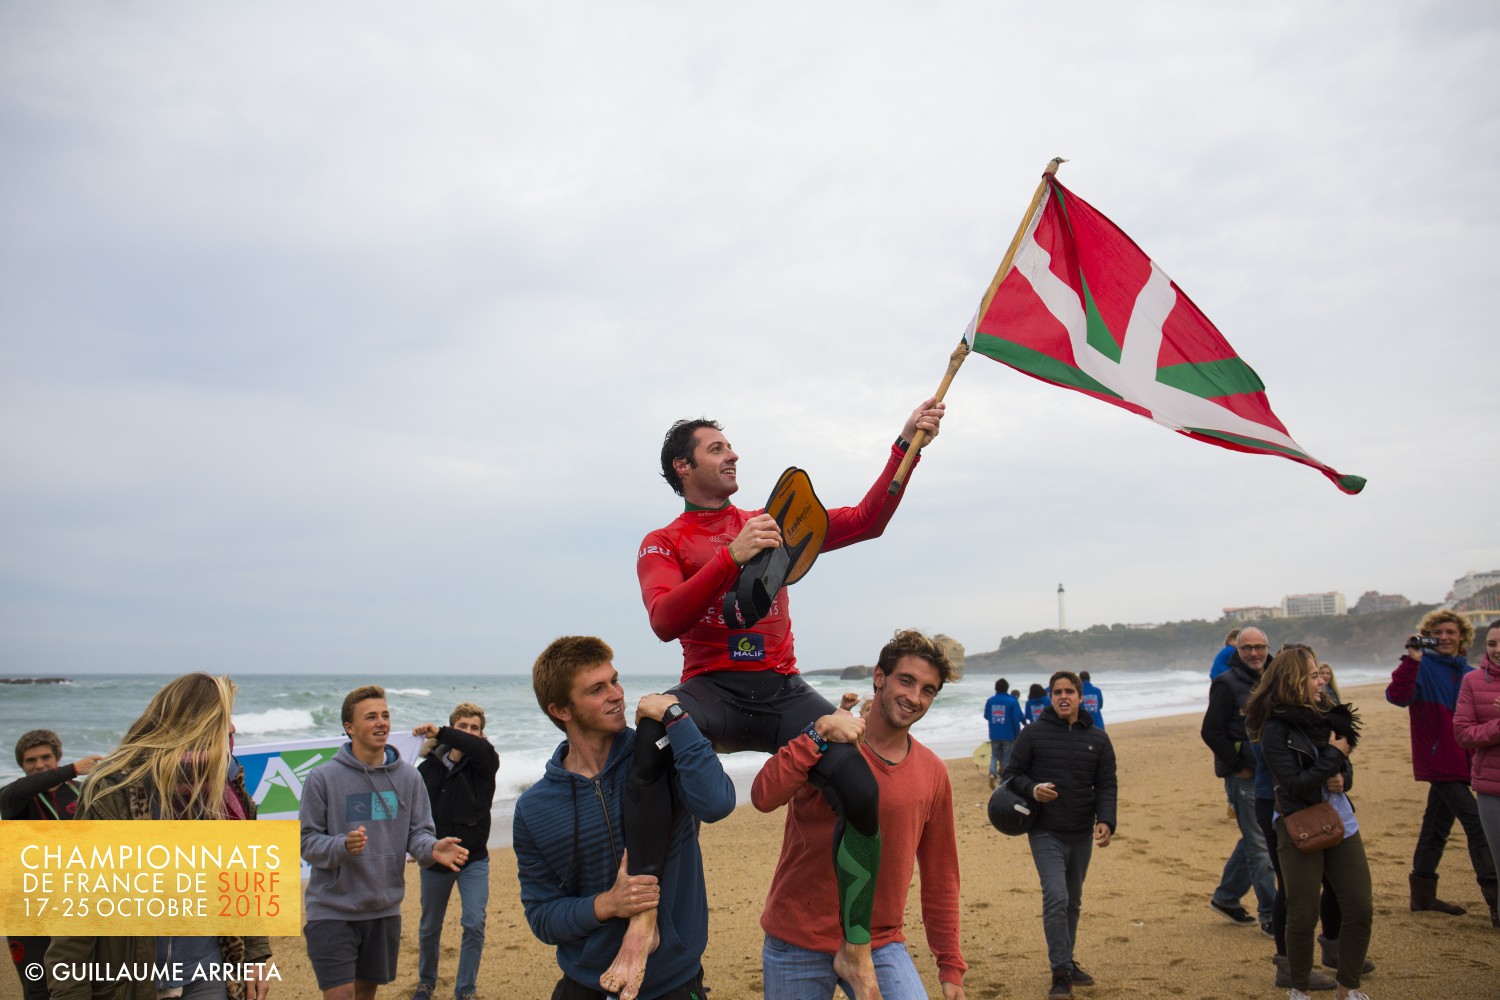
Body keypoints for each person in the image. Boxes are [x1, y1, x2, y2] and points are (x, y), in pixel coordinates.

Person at [633, 399, 945, 1000]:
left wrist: (906, 445)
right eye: (717, 449)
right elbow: (664, 619)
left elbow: (868, 520)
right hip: (712, 689)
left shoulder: (772, 523)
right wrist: (731, 556)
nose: (733, 455)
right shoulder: (663, 542)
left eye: (730, 446)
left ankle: (857, 948)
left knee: (861, 788)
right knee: (649, 734)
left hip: (781, 689)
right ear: (682, 467)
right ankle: (643, 914)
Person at [513, 636, 735, 1000]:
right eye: (597, 689)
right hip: (589, 983)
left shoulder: (663, 756)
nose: (617, 695)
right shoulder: (535, 808)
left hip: (674, 980)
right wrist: (607, 904)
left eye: (614, 681)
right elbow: (542, 916)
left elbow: (717, 803)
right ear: (561, 709)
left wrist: (676, 718)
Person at [753, 629, 967, 999]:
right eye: (906, 681)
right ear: (879, 676)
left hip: (880, 942)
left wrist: (950, 965)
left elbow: (941, 873)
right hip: (798, 937)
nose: (914, 698)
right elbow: (763, 796)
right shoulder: (825, 742)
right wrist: (817, 733)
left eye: (928, 690)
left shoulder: (933, 772)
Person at [44, 673, 272, 1000]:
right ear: (193, 725)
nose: (232, 728)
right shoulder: (114, 791)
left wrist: (255, 957)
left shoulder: (227, 790)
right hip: (134, 979)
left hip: (208, 969)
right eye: (223, 719)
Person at [300, 686, 467, 1000]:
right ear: (350, 727)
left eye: (385, 715)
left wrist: (431, 848)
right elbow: (307, 842)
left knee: (365, 994)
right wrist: (341, 846)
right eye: (371, 717)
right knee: (341, 995)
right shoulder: (322, 778)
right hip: (332, 909)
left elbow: (418, 833)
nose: (381, 723)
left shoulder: (408, 777)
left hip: (383, 908)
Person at [1246, 644, 1372, 1000]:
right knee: (1302, 913)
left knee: (1359, 907)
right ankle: (1299, 989)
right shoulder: (1275, 728)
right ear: (1294, 680)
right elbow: (1293, 785)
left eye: (1320, 675)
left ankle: (1348, 988)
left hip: (1341, 821)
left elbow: (1345, 766)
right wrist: (1332, 758)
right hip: (1298, 825)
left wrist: (1343, 777)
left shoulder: (1331, 715)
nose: (1321, 682)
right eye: (1314, 676)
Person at [1003, 670, 1117, 999]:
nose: (1063, 697)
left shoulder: (1098, 739)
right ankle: (1061, 972)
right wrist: (1033, 789)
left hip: (1081, 832)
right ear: (1050, 697)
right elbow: (1011, 775)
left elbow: (1107, 784)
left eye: (1069, 691)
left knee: (1073, 901)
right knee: (1056, 897)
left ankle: (1066, 960)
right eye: (1057, 692)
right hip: (1045, 830)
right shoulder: (1033, 734)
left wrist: (1106, 820)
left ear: (1081, 697)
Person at [1386, 609, 1496, 917]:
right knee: (1478, 825)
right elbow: (1397, 696)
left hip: (1466, 762)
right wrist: (1412, 660)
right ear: (1428, 637)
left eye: (1451, 632)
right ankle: (1496, 901)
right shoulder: (1421, 667)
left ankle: (1422, 896)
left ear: (1462, 637)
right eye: (1438, 633)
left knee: (1435, 826)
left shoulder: (1471, 673)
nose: (1445, 637)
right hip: (1439, 762)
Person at [3, 731, 104, 1000]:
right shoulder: (15, 798)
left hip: (77, 900)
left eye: (46, 757)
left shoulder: (83, 792)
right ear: (21, 765)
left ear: (57, 757)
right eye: (30, 760)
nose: (39, 765)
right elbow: (20, 789)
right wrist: (73, 769)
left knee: (86, 981)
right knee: (37, 985)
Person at [411, 703, 501, 1000]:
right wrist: (413, 846)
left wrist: (440, 732)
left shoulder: (485, 762)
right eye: (463, 726)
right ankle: (426, 982)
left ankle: (465, 990)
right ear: (453, 728)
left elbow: (478, 748)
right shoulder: (426, 769)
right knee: (429, 927)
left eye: (475, 728)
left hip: (473, 858)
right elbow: (413, 813)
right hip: (435, 859)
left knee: (474, 923)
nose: (469, 732)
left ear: (482, 734)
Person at [1201, 626, 1277, 931]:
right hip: (1246, 776)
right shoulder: (1226, 683)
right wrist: (1237, 766)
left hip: (1275, 773)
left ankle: (1227, 897)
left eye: (1260, 647)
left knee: (1257, 839)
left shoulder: (1275, 678)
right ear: (1237, 650)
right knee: (1261, 845)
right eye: (1247, 648)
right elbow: (1211, 731)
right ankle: (1271, 916)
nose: (1254, 653)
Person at [1454, 619, 1500, 927]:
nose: (1497, 649)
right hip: (1491, 789)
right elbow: (1463, 733)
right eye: (1492, 643)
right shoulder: (1472, 681)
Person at [983, 678, 1024, 789]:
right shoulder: (1012, 701)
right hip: (1008, 734)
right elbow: (1015, 719)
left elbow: (986, 716)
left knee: (995, 754)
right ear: (1007, 688)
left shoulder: (990, 700)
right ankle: (1004, 778)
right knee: (1006, 756)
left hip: (994, 733)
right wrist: (1018, 734)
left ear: (996, 688)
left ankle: (992, 773)